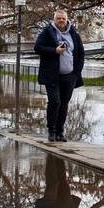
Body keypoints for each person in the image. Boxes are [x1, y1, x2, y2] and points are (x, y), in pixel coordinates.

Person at [35, 9, 84, 142]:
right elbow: (37, 48)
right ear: (54, 19)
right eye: (58, 19)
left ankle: (60, 132)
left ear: (67, 19)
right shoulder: (47, 31)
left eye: (63, 18)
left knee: (64, 104)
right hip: (52, 75)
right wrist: (54, 51)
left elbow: (80, 53)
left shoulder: (73, 33)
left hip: (70, 76)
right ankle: (52, 131)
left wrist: (76, 72)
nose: (61, 21)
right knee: (55, 102)